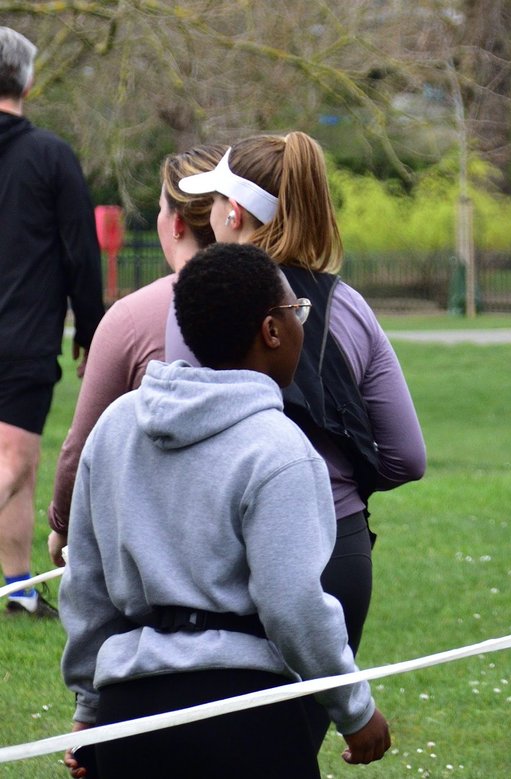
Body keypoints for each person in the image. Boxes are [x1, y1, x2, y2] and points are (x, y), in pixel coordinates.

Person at [60, 242, 391, 779]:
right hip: (243, 714)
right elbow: (293, 606)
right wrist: (355, 710)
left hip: (129, 717)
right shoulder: (278, 447)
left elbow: (86, 587)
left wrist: (91, 709)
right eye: (296, 312)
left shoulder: (115, 427)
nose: (300, 323)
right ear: (272, 331)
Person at [174, 131, 427, 654]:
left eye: (216, 200)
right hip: (339, 548)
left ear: (234, 214)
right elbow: (406, 457)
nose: (210, 213)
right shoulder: (350, 306)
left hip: (230, 553)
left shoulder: (198, 306)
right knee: (306, 727)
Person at [46, 144, 227, 568]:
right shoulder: (284, 306)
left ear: (177, 222)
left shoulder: (132, 318)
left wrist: (62, 523)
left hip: (155, 546)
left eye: (162, 209)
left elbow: (83, 444)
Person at [0, 27, 104, 618]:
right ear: (29, 82)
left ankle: (18, 589)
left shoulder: (45, 156)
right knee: (11, 463)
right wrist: (91, 330)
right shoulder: (50, 156)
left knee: (21, 461)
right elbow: (81, 255)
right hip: (21, 341)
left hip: (17, 341)